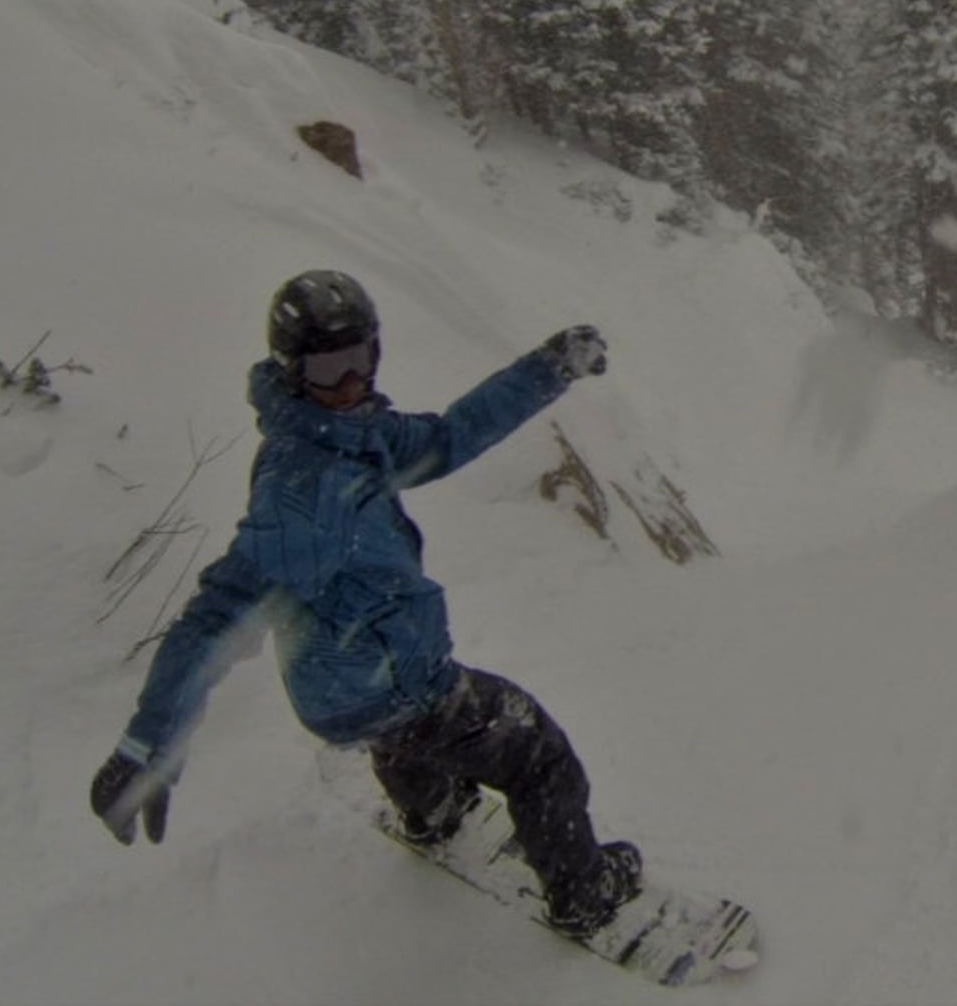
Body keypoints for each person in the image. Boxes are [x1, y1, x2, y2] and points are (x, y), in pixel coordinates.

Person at [88, 270, 642, 936]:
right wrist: (147, 743)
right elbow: (215, 618)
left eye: (361, 358)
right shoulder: (302, 489)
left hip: (343, 689)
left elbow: (449, 436)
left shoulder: (351, 433)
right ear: (292, 370)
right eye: (329, 368)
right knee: (535, 753)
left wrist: (548, 367)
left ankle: (433, 810)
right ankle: (583, 895)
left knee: (400, 731)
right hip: (393, 682)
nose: (351, 382)